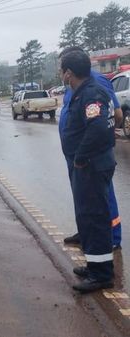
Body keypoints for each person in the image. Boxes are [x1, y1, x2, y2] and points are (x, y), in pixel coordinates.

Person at [59, 50, 115, 293]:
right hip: (87, 165)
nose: (60, 75)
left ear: (69, 73)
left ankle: (102, 274)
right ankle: (95, 265)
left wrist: (80, 157)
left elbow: (99, 128)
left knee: (95, 217)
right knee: (87, 218)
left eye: (61, 71)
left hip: (91, 165)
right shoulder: (82, 92)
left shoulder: (91, 93)